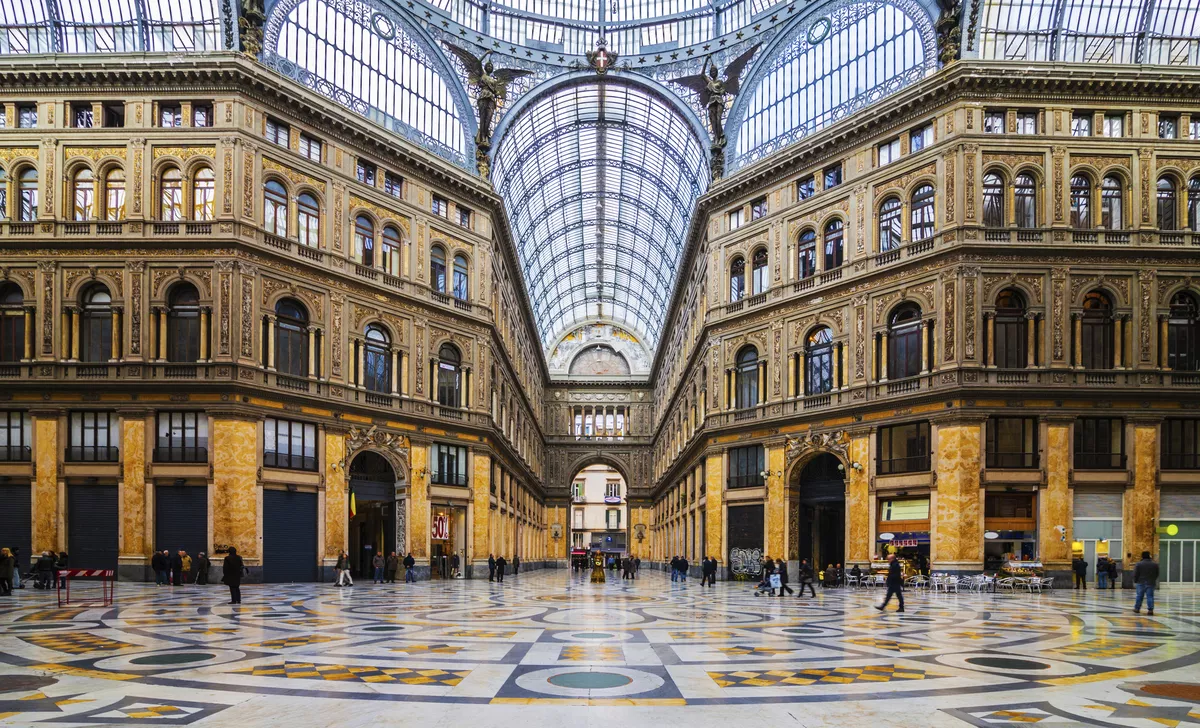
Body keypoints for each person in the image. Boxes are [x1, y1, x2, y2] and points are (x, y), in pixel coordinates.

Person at [1133, 551, 1160, 615]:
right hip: (1151, 582)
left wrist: (1135, 580)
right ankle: (1150, 610)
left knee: (1139, 596)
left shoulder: (1139, 564)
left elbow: (1136, 574)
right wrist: (1153, 579)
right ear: (1149, 556)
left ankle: (1137, 608)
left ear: (1142, 556)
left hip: (1140, 582)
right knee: (1150, 596)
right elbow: (1157, 573)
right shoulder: (1155, 564)